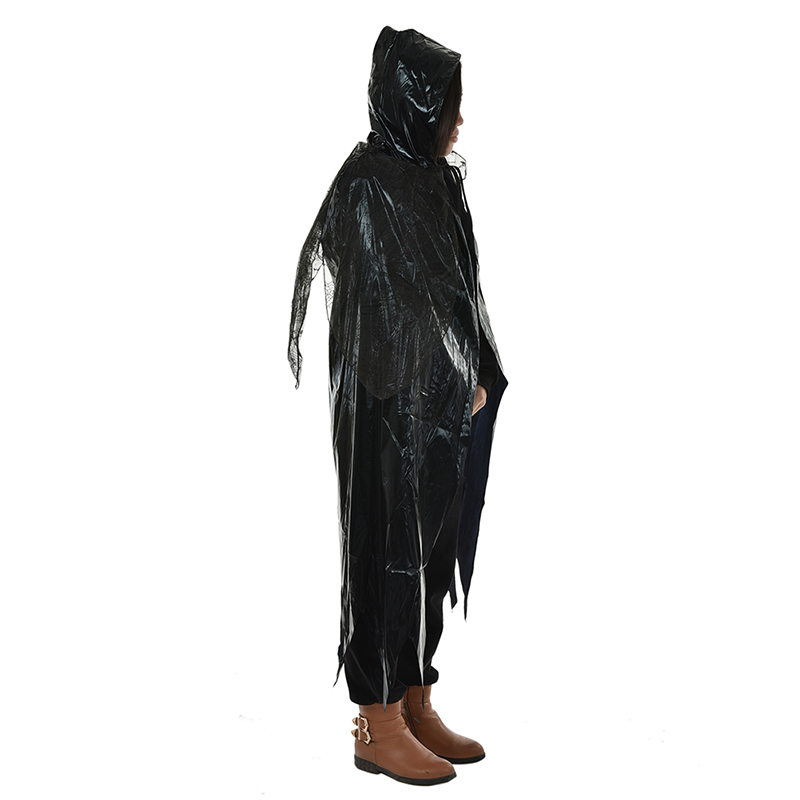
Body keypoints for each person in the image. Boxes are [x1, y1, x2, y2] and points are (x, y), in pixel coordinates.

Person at [288, 26, 508, 786]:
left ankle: (415, 698)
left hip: (441, 410)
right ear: (415, 106)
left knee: (431, 549)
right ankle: (376, 721)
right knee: (385, 548)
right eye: (448, 106)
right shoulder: (369, 185)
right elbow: (380, 309)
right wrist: (440, 378)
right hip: (389, 408)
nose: (458, 122)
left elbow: (459, 293)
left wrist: (474, 373)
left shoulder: (434, 180)